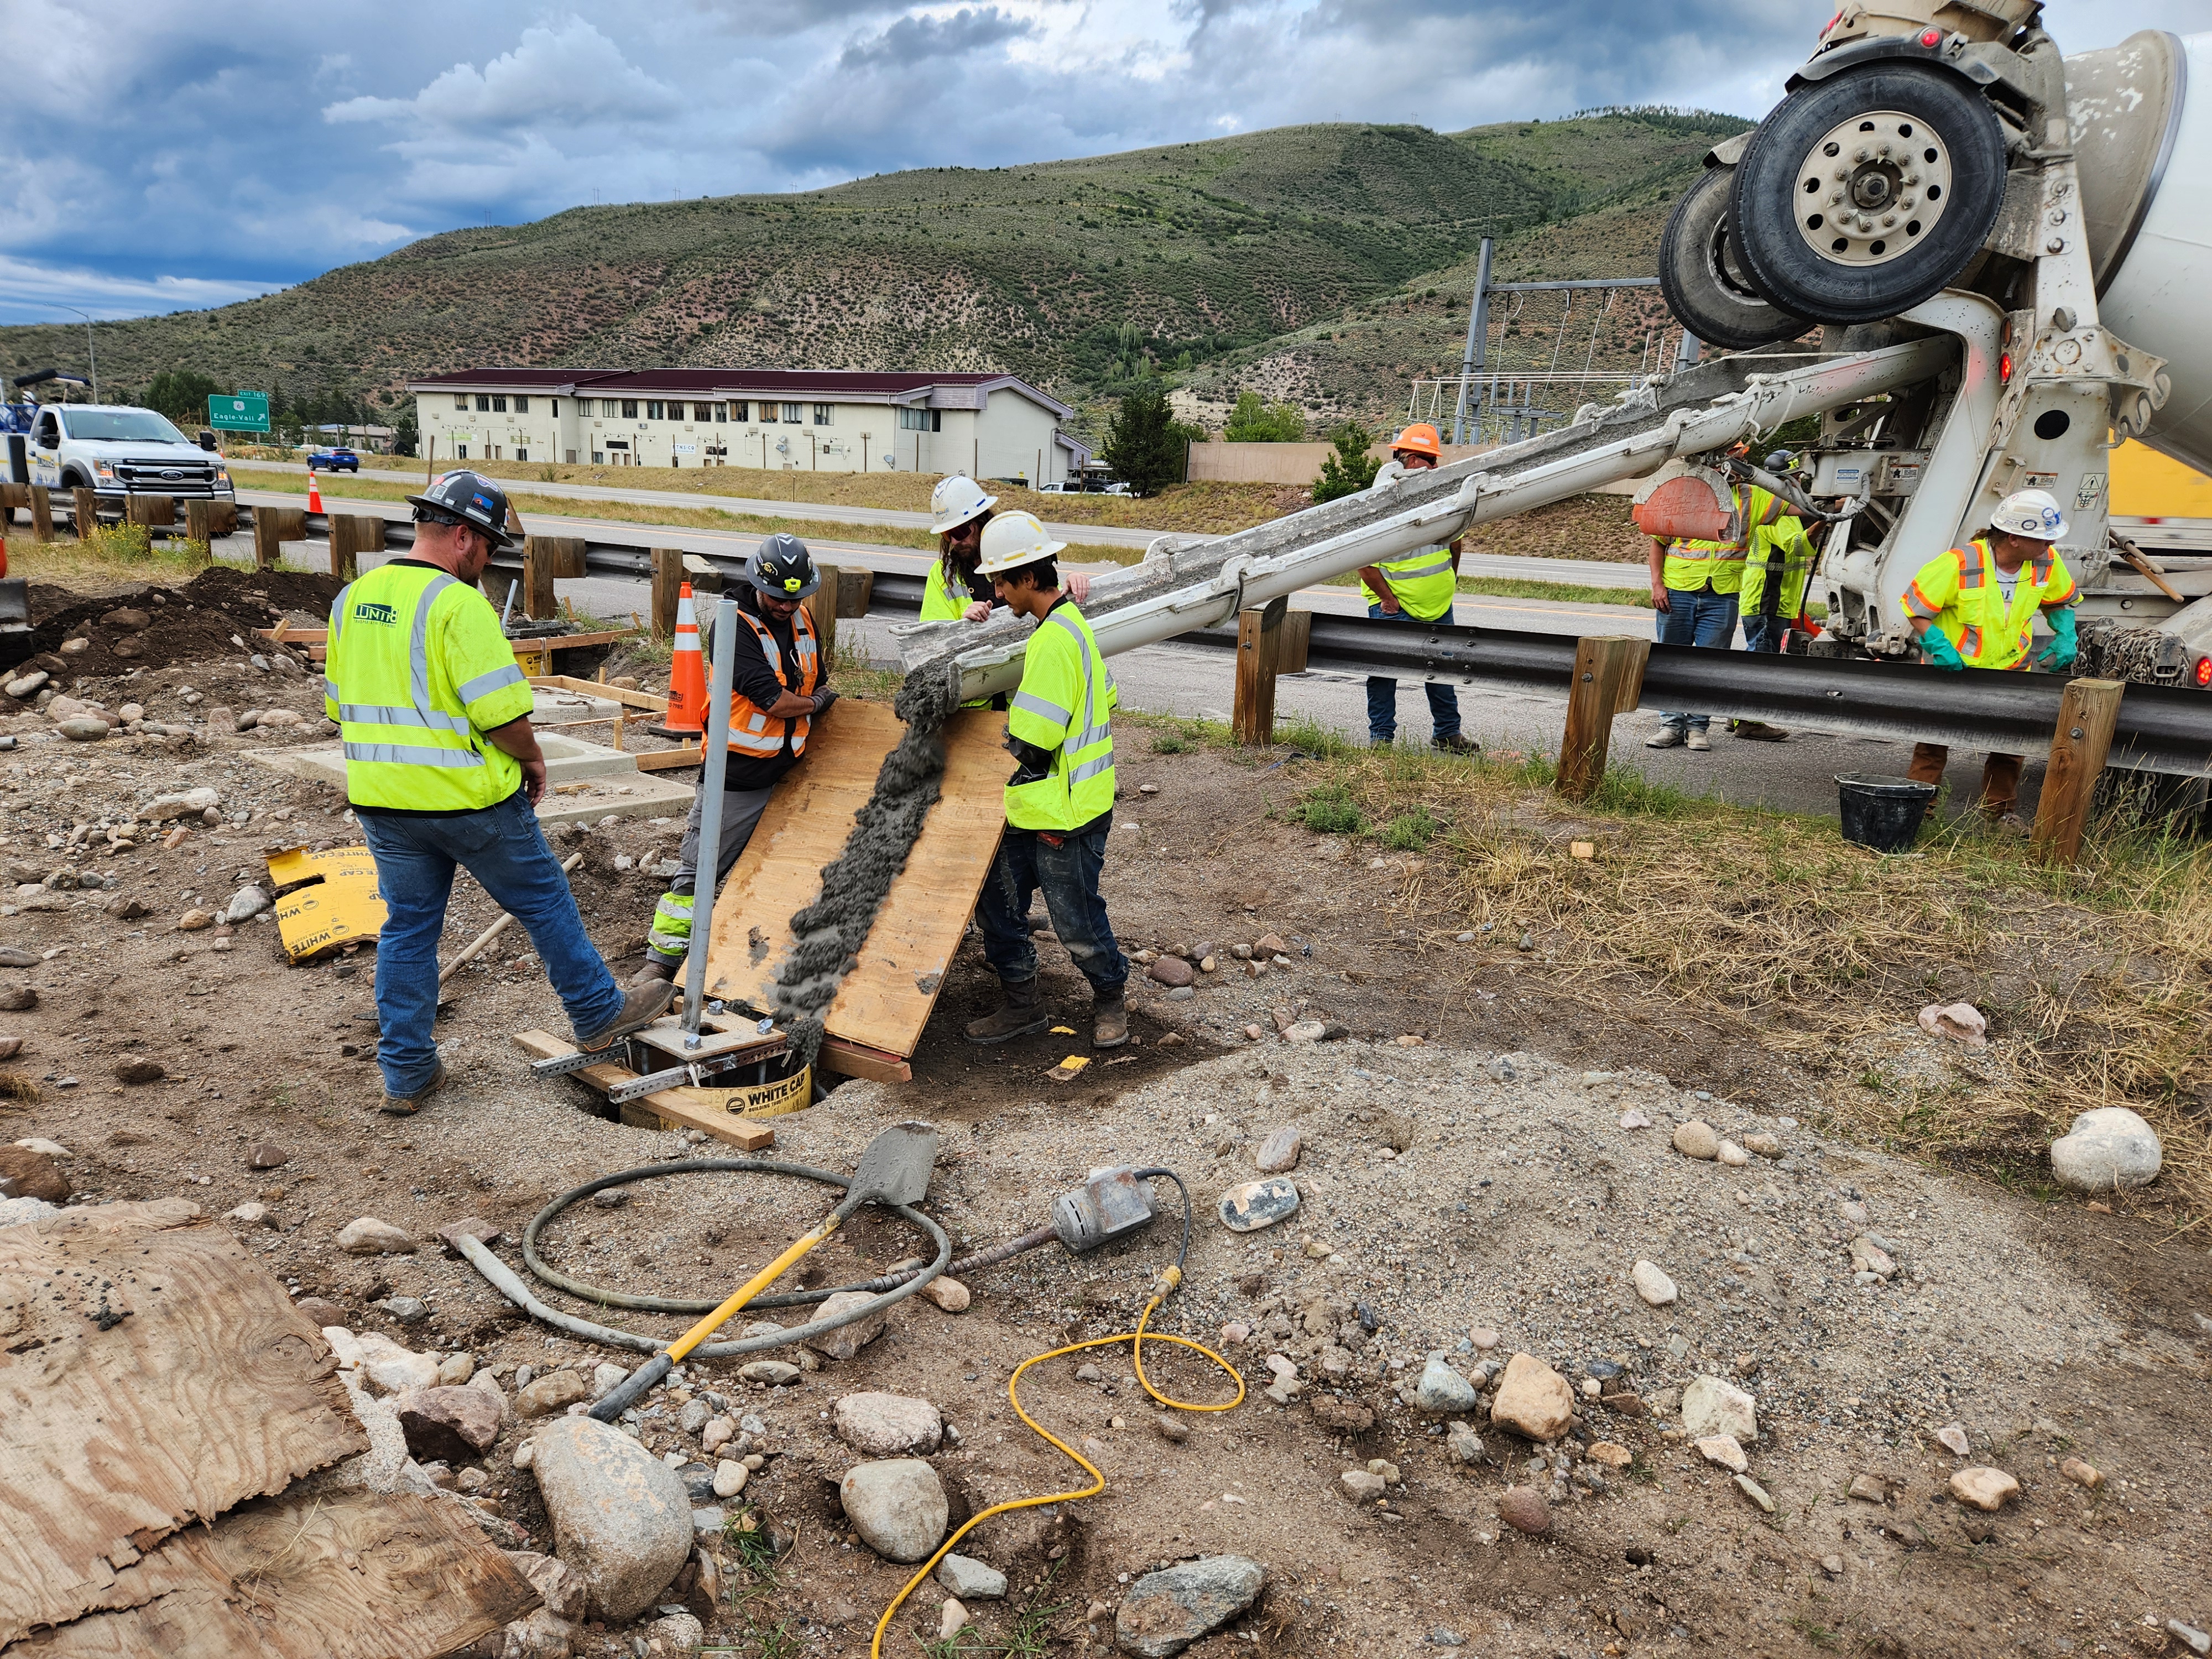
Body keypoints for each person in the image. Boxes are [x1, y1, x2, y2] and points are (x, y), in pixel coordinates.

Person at [324, 471, 672, 1113]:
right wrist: (533, 758)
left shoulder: (353, 599)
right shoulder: (458, 605)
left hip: (382, 801)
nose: (488, 560)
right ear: (462, 537)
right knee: (544, 900)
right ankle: (598, 1011)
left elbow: (338, 703)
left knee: (408, 931)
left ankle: (406, 1073)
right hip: (468, 800)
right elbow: (502, 716)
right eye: (487, 547)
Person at [962, 510, 1131, 1050]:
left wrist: (977, 747)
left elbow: (1032, 741)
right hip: (1040, 805)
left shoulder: (1052, 643)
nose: (996, 591)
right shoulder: (1070, 626)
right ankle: (1022, 1005)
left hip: (1069, 811)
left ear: (1030, 580)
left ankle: (1110, 996)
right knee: (998, 902)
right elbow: (1108, 696)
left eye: (1001, 581)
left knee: (1075, 921)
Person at [637, 533, 838, 983]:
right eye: (780, 598)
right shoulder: (734, 625)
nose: (789, 606)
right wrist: (818, 704)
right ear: (757, 584)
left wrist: (812, 698)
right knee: (699, 872)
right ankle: (661, 963)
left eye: (798, 597)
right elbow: (775, 701)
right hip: (737, 777)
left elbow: (816, 677)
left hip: (789, 771)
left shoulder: (802, 618)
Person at [1901, 488, 2079, 823]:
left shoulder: (2045, 561)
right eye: (2044, 539)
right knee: (1933, 744)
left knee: (2009, 747)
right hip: (1955, 670)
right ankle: (1916, 812)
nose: (2050, 546)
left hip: (2011, 669)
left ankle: (2000, 817)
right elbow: (1916, 607)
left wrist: (2066, 633)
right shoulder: (1959, 562)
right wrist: (1938, 644)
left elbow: (2057, 601)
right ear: (2013, 538)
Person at [1646, 447, 1787, 750]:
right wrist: (1657, 585)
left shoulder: (1753, 496)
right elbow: (1658, 542)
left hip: (1722, 595)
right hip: (1677, 591)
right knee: (1671, 661)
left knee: (1709, 666)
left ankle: (1698, 729)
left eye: (1739, 458)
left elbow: (1802, 507)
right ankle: (1670, 726)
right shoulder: (1688, 489)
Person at [1356, 422, 1478, 753]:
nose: (1434, 468)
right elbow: (1364, 563)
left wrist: (1448, 582)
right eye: (1428, 460)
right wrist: (1388, 599)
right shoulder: (1380, 505)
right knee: (1383, 674)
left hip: (1438, 607)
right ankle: (1381, 739)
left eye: (1435, 460)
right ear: (1408, 459)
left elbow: (1455, 544)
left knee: (1443, 672)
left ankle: (1447, 734)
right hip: (1394, 608)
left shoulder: (1443, 502)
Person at [1730, 452, 1822, 742]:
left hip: (1770, 599)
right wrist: (1823, 521)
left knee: (1757, 656)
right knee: (1762, 660)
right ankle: (1750, 722)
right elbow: (1795, 546)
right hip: (1767, 600)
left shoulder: (1773, 504)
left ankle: (1738, 714)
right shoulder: (1777, 510)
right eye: (1796, 478)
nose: (1800, 483)